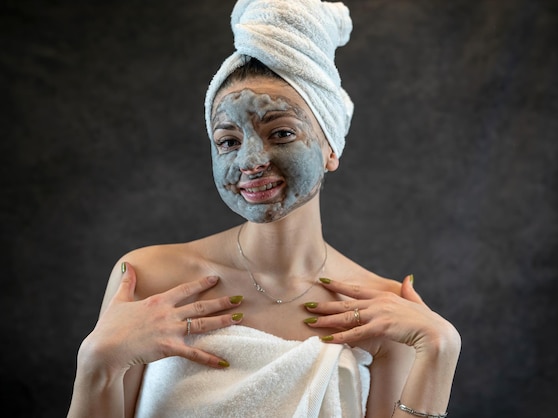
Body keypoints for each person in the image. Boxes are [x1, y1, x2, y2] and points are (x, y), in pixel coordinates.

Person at [67, 0, 461, 417]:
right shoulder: (149, 280)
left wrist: (440, 350)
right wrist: (97, 362)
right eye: (228, 141)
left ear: (331, 148)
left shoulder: (380, 311)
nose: (250, 161)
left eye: (282, 132)